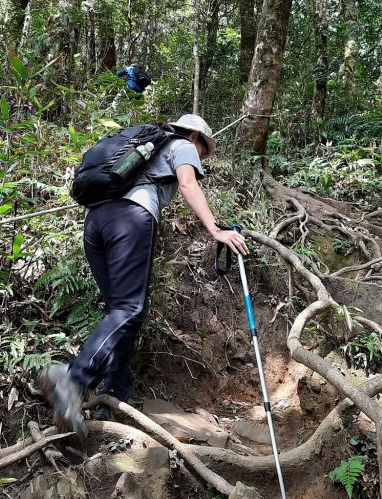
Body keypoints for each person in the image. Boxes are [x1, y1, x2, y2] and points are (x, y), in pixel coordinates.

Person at [41, 113, 248, 440]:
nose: (202, 157)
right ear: (196, 137)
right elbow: (187, 182)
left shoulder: (146, 144)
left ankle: (115, 395)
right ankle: (73, 378)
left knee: (121, 313)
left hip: (96, 223)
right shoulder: (182, 144)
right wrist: (215, 229)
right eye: (204, 150)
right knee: (130, 310)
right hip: (131, 218)